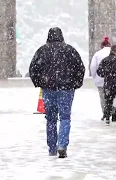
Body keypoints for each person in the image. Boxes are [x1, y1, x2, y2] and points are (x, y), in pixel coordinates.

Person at [29, 27, 85, 158]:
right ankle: (62, 145)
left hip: (48, 89)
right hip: (66, 89)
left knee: (51, 119)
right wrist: (75, 83)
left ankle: (52, 147)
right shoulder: (70, 50)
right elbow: (80, 68)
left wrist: (40, 82)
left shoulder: (42, 51)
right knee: (65, 118)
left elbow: (33, 69)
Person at [90, 37, 116, 122]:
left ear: (102, 46)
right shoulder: (115, 54)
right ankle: (113, 111)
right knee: (114, 96)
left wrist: (95, 77)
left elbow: (93, 67)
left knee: (103, 97)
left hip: (100, 79)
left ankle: (105, 113)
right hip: (113, 79)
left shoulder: (97, 54)